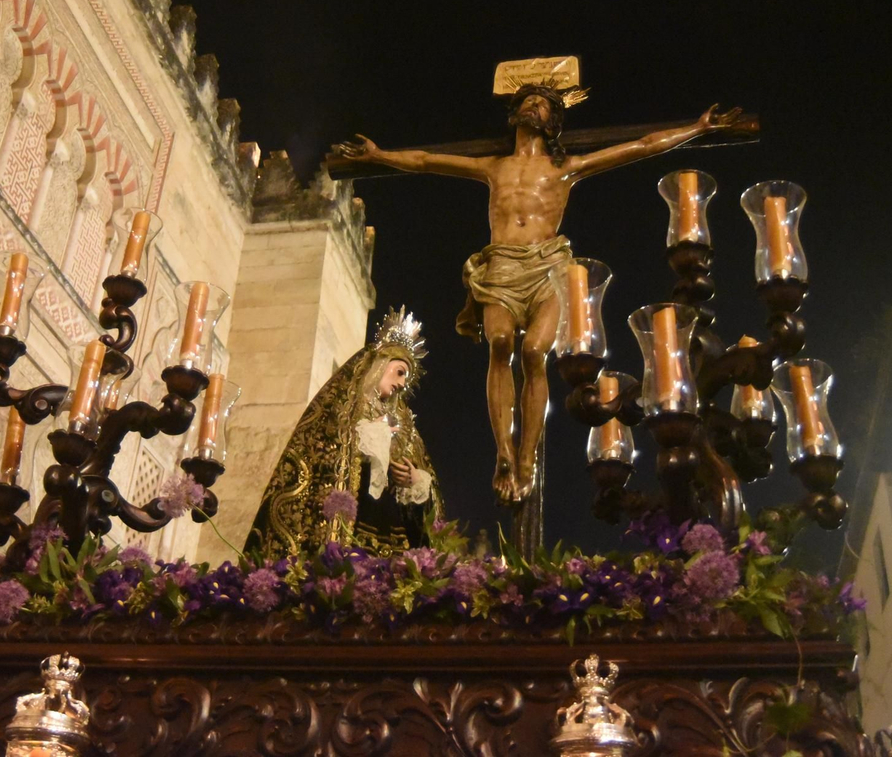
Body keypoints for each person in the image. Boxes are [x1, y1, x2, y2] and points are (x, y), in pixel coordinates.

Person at [335, 84, 750, 504]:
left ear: (554, 123)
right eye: (530, 102)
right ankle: (503, 453)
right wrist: (379, 156)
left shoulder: (565, 167)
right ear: (515, 113)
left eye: (546, 106)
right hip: (501, 266)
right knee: (499, 344)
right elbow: (425, 161)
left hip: (548, 265)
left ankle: (527, 456)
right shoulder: (494, 167)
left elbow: (641, 147)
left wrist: (696, 129)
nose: (536, 107)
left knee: (535, 351)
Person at [243, 308, 439, 560]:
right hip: (349, 529)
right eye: (399, 371)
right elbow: (321, 454)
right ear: (380, 365)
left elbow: (425, 497)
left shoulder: (405, 426)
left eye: (406, 378)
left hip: (391, 538)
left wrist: (415, 479)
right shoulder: (342, 408)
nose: (402, 383)